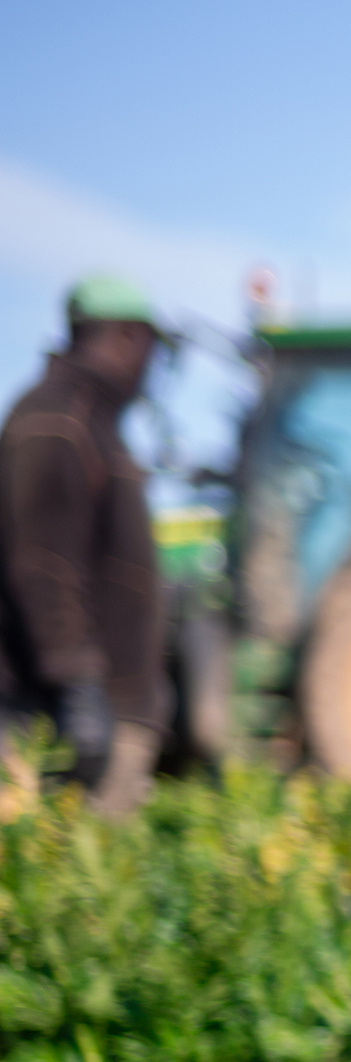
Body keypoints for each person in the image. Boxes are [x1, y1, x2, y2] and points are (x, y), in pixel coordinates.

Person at [1, 274, 167, 814]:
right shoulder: (57, 421)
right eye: (149, 345)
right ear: (124, 337)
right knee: (61, 877)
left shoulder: (93, 422)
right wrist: (77, 688)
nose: (152, 365)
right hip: (57, 714)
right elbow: (44, 567)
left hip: (105, 705)